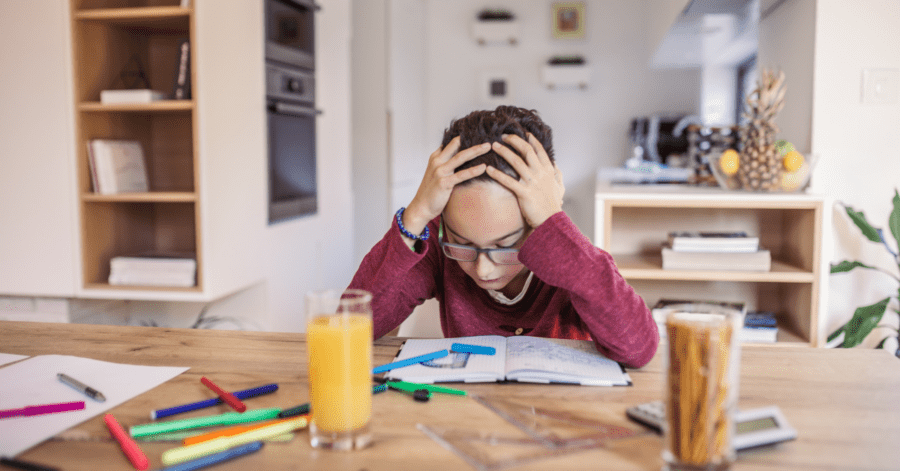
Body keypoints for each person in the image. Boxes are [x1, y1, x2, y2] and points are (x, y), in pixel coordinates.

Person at [348, 106, 658, 368]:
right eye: (463, 244)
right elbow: (352, 330)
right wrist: (415, 215)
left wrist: (552, 223)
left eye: (506, 245)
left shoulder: (566, 252)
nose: (483, 270)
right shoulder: (436, 242)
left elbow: (638, 349)